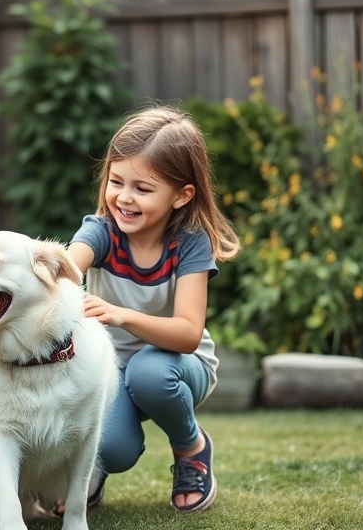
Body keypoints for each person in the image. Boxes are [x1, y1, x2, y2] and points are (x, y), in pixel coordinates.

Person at [65, 105, 240, 513]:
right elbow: (69, 268)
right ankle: (92, 468)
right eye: (116, 181)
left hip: (178, 366)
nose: (124, 197)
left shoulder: (190, 243)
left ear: (181, 195)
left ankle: (190, 447)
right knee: (113, 450)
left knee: (149, 371)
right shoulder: (101, 231)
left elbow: (187, 333)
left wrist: (121, 315)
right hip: (110, 371)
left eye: (142, 189)